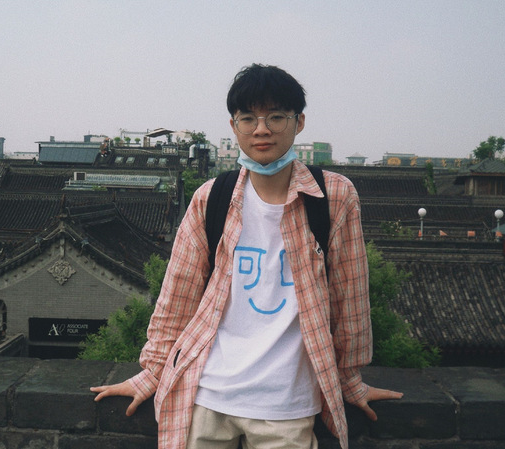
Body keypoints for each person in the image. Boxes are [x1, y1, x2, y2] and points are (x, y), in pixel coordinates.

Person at [91, 63, 402, 449]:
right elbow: (178, 294)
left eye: (276, 116)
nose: (262, 129)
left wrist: (350, 378)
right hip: (206, 395)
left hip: (286, 404)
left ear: (299, 122)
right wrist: (152, 371)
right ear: (234, 125)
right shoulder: (211, 198)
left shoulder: (333, 197)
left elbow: (350, 295)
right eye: (248, 118)